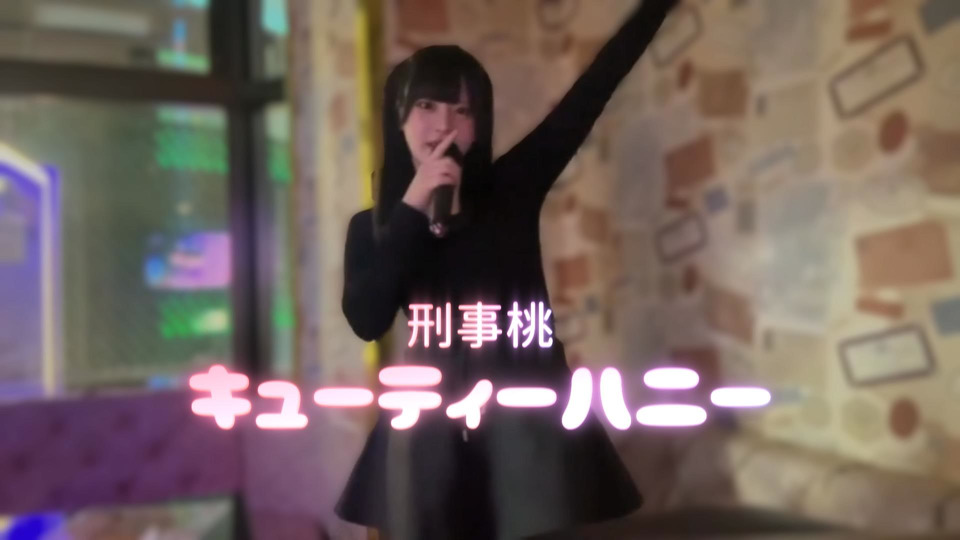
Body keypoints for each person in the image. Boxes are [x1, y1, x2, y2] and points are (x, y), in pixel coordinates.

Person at [336, 1, 679, 538]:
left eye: (463, 110)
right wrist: (412, 208)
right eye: (426, 105)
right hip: (430, 438)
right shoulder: (372, 228)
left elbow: (593, 90)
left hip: (528, 429)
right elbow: (366, 319)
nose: (444, 125)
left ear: (479, 125)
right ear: (398, 117)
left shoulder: (511, 190)